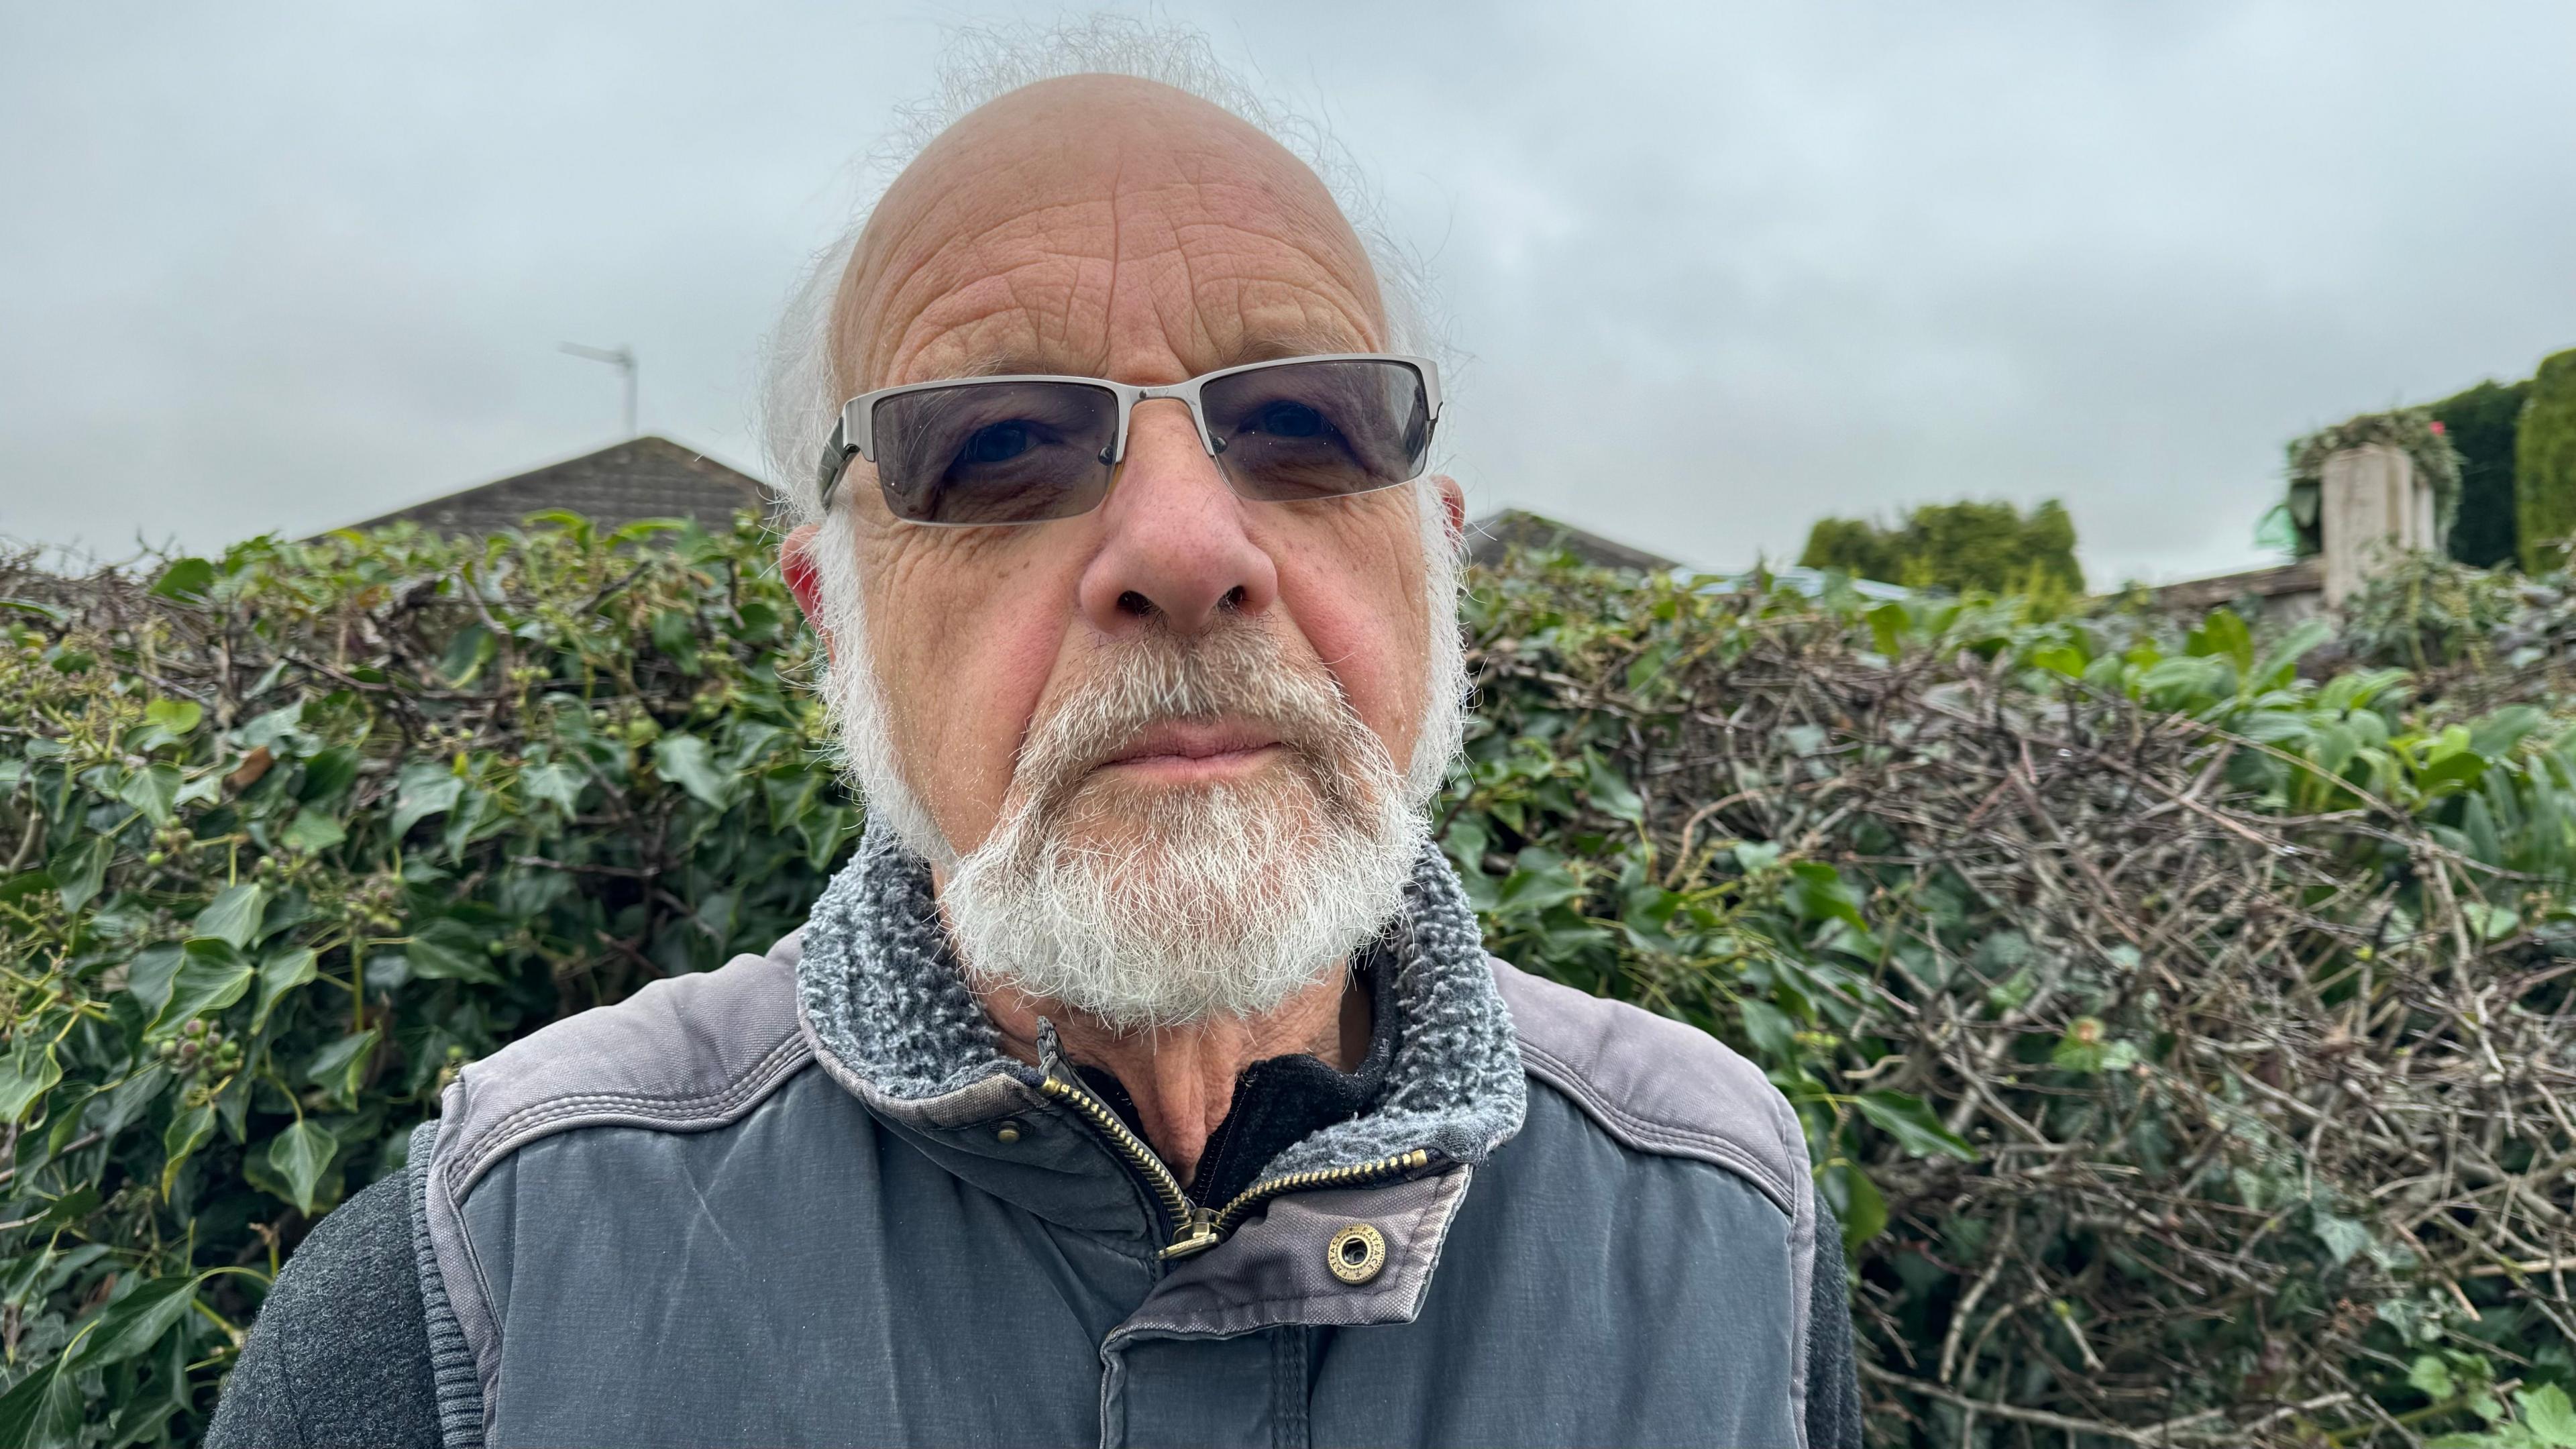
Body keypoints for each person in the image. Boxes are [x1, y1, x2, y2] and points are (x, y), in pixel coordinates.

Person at [209, 21, 1860, 1449]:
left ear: (1432, 558)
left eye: (1303, 423)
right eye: (993, 445)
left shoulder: (1721, 1221)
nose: (1190, 551)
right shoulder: (481, 1289)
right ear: (832, 620)